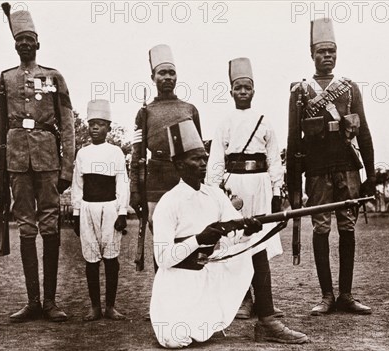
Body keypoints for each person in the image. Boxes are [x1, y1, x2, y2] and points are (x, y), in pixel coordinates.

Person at [151, 120, 308, 348]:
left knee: (256, 245)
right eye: (196, 159)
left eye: (205, 157)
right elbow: (162, 259)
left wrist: (247, 232)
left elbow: (233, 237)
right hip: (180, 284)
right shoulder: (168, 203)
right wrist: (198, 240)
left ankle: (267, 321)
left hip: (211, 272)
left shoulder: (214, 194)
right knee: (175, 339)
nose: (204, 163)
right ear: (179, 164)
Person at [286, 18, 375, 316]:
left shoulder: (349, 89)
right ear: (312, 54)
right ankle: (326, 296)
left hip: (348, 167)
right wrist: (294, 187)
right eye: (322, 51)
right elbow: (293, 140)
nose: (328, 56)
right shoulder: (300, 91)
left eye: (332, 51)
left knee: (347, 228)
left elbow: (363, 133)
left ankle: (347, 295)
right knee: (321, 228)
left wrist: (371, 175)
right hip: (316, 170)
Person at [0, 5, 74, 322]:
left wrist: (67, 167)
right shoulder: (5, 79)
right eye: (20, 40)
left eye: (30, 39)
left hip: (48, 159)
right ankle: (33, 302)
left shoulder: (54, 77)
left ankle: (51, 302)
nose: (25, 44)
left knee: (50, 224)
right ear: (15, 45)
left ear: (38, 43)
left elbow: (66, 124)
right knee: (26, 225)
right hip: (16, 161)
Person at [206, 57, 284, 319]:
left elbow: (274, 159)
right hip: (234, 186)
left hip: (260, 185)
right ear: (231, 91)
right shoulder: (225, 122)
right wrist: (214, 190)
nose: (242, 92)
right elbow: (216, 159)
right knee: (236, 242)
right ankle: (242, 300)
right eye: (237, 88)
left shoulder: (264, 121)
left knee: (258, 242)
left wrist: (276, 192)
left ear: (253, 91)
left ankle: (265, 302)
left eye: (247, 88)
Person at [129, 44, 202, 273]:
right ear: (153, 77)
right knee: (161, 235)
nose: (167, 77)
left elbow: (199, 153)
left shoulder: (189, 109)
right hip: (156, 178)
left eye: (171, 73)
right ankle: (164, 288)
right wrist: (135, 189)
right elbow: (136, 153)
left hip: (184, 177)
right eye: (162, 73)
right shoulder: (145, 112)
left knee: (187, 232)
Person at [71, 100, 129, 321]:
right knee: (91, 259)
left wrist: (122, 212)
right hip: (87, 210)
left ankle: (110, 306)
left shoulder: (115, 153)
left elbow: (122, 183)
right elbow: (78, 185)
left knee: (111, 258)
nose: (95, 128)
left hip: (110, 209)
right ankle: (95, 306)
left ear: (108, 128)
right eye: (92, 124)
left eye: (100, 124)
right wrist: (76, 214)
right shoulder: (82, 154)